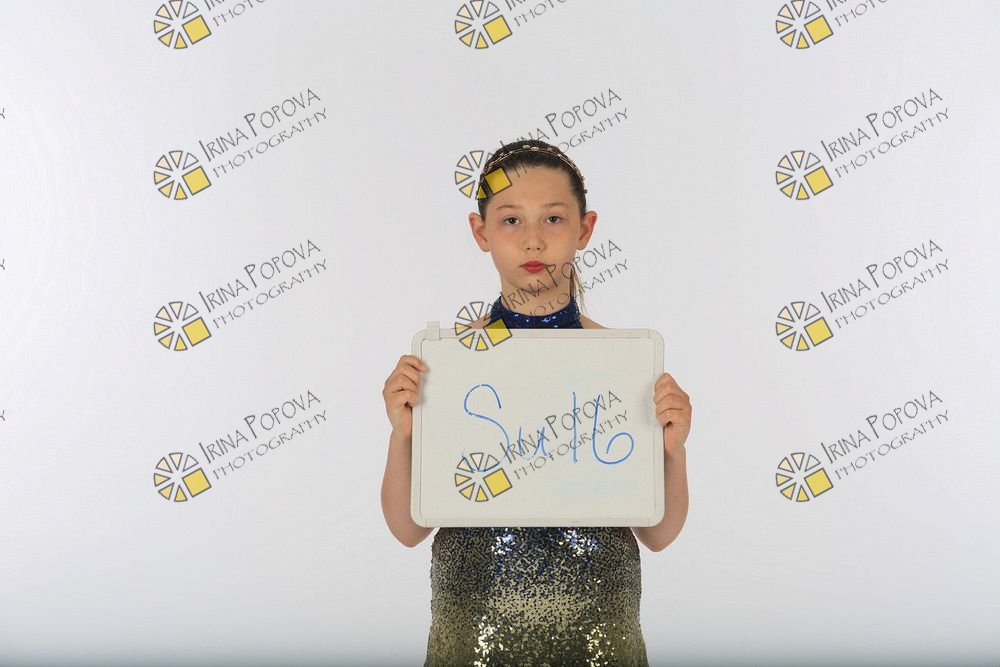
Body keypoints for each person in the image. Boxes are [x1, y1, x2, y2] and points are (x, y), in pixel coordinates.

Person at [380, 139, 692, 666]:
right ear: (481, 232)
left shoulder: (623, 364)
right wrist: (402, 433)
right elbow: (407, 529)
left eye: (553, 218)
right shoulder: (449, 366)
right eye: (510, 220)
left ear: (584, 229)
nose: (533, 239)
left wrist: (673, 449)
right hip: (473, 634)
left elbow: (659, 533)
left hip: (600, 634)